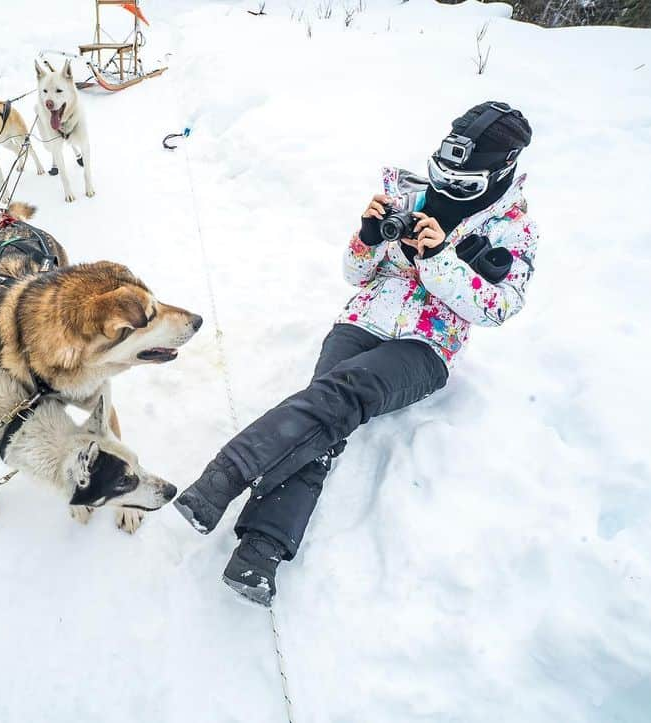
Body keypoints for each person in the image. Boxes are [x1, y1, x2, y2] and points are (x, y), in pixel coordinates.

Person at [174, 101, 539, 606]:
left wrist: (438, 259)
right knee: (324, 419)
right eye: (445, 173)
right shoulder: (406, 192)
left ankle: (225, 475)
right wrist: (368, 238)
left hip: (426, 345)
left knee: (342, 395)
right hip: (362, 319)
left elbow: (499, 307)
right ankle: (260, 551)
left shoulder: (514, 230)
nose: (447, 185)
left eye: (462, 179)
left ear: (497, 171)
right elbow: (355, 272)